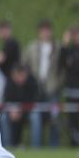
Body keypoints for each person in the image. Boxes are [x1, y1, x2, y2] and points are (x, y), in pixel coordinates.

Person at [22, 19, 63, 147]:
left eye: (47, 30)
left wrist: (58, 82)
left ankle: (54, 147)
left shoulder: (58, 47)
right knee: (36, 117)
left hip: (53, 89)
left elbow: (63, 67)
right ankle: (36, 147)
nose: (45, 33)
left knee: (55, 118)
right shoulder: (32, 47)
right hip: (36, 90)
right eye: (43, 30)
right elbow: (24, 65)